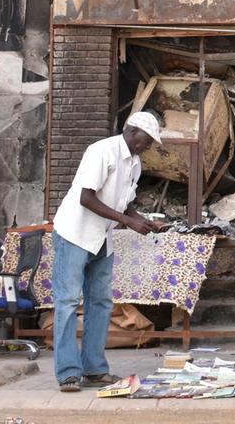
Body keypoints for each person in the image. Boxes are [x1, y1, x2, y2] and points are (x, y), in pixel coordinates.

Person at [51, 111, 165, 393]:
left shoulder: (135, 163)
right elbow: (86, 198)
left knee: (100, 302)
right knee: (67, 302)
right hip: (75, 233)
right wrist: (128, 221)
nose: (147, 146)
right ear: (131, 131)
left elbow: (124, 205)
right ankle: (68, 372)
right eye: (146, 140)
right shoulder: (102, 151)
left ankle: (94, 369)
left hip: (102, 237)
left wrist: (142, 219)